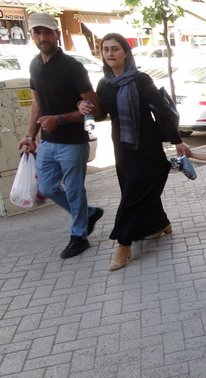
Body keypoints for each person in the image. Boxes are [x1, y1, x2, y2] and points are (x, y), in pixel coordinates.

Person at [78, 32, 190, 270]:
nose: (110, 53)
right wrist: (84, 106)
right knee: (133, 191)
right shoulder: (104, 84)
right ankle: (160, 223)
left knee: (132, 197)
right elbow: (100, 114)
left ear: (125, 52)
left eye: (115, 49)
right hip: (121, 148)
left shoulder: (141, 80)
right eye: (106, 49)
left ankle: (124, 244)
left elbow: (160, 110)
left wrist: (177, 141)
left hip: (146, 146)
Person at [18, 13, 104, 260]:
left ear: (57, 34)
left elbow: (94, 108)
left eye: (47, 32)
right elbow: (37, 105)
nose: (42, 37)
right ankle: (88, 214)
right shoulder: (34, 65)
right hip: (47, 142)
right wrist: (30, 136)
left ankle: (79, 236)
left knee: (75, 189)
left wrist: (60, 119)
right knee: (46, 187)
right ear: (32, 35)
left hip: (73, 141)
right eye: (37, 33)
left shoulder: (73, 67)